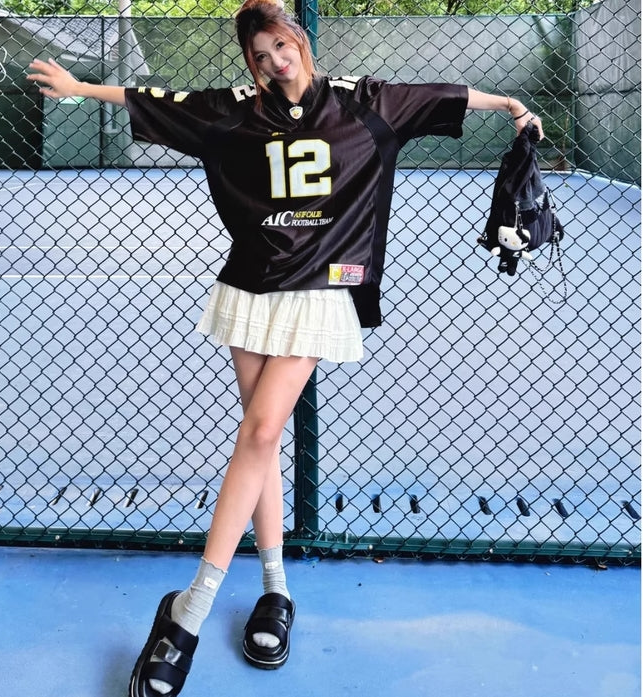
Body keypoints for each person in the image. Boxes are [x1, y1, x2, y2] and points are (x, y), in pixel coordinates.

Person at [28, 2, 544, 695]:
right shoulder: (235, 110)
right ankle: (275, 588)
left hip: (321, 289)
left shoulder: (364, 101)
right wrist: (80, 88)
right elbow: (155, 97)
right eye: (260, 55)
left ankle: (189, 609)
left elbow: (443, 95)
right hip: (250, 287)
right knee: (259, 439)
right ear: (252, 63)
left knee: (262, 430)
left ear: (298, 39)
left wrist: (510, 104)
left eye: (281, 44)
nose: (275, 60)